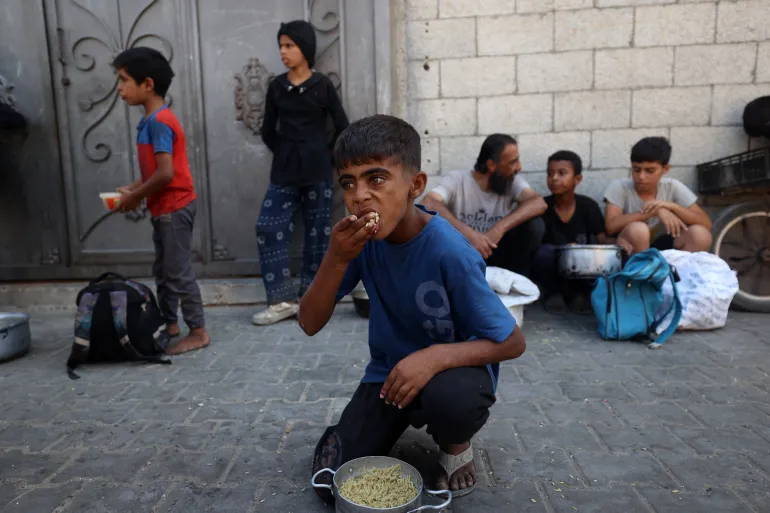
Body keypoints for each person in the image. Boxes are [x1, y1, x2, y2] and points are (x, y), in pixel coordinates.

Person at [299, 115, 526, 501]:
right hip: (391, 375)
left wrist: (433, 358)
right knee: (333, 480)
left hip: (452, 375)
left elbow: (512, 342)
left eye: (376, 179)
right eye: (348, 183)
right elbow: (308, 322)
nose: (360, 196)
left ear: (415, 186)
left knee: (453, 400)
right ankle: (383, 421)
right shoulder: (359, 244)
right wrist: (336, 259)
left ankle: (455, 445)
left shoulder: (449, 251)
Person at [252, 20, 350, 326]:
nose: (283, 51)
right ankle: (280, 301)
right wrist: (286, 151)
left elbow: (342, 126)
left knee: (317, 235)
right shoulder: (277, 87)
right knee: (268, 227)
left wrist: (325, 154)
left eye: (289, 45)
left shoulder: (322, 86)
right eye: (281, 46)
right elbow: (268, 130)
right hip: (284, 172)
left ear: (305, 49)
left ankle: (311, 300)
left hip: (317, 172)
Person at [113, 47, 210, 355]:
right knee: (164, 271)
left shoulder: (160, 122)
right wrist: (133, 188)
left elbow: (166, 174)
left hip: (174, 207)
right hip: (163, 208)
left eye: (124, 80)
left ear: (148, 85)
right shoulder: (149, 121)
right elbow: (155, 172)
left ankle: (198, 331)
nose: (119, 88)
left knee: (177, 272)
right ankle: (170, 324)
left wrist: (136, 196)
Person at [422, 134, 546, 277]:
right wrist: (469, 235)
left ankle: (518, 281)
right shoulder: (457, 179)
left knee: (535, 225)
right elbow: (428, 203)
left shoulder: (511, 181)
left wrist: (498, 229)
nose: (519, 167)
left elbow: (538, 203)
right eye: (513, 162)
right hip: (463, 253)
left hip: (498, 253)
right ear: (491, 165)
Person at [604, 137, 712, 255]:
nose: (641, 176)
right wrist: (655, 211)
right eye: (636, 170)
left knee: (700, 235)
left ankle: (677, 267)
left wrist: (671, 206)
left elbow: (706, 223)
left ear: (665, 169)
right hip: (631, 248)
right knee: (638, 229)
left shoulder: (672, 186)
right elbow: (611, 227)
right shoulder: (619, 187)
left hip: (667, 246)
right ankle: (644, 266)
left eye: (649, 171)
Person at [533, 150, 610, 312]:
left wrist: (621, 242)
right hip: (553, 271)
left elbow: (602, 239)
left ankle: (580, 294)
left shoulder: (588, 206)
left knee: (590, 255)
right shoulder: (541, 207)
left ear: (577, 179)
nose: (554, 178)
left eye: (562, 173)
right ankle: (553, 293)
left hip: (580, 272)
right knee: (544, 253)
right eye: (550, 173)